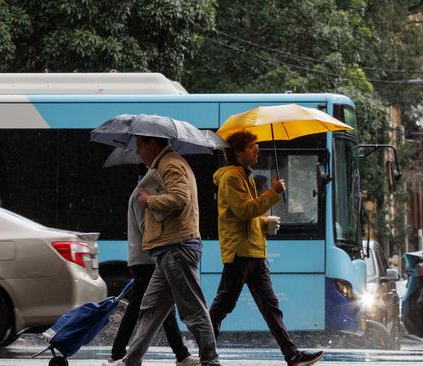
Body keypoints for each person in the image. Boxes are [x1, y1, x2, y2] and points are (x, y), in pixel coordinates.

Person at [210, 131, 324, 366]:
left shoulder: (245, 175)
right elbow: (244, 210)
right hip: (239, 253)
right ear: (238, 152)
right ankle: (205, 350)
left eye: (257, 146)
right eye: (252, 146)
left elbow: (247, 215)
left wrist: (263, 222)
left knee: (271, 307)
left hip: (254, 252)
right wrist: (273, 193)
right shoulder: (231, 177)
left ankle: (291, 355)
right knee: (224, 305)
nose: (257, 150)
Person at [111, 136, 220, 366]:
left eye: (140, 146)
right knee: (150, 308)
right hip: (168, 249)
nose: (138, 152)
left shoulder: (170, 164)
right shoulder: (164, 164)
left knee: (192, 310)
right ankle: (131, 360)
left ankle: (210, 360)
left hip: (178, 247)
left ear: (153, 144)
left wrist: (150, 200)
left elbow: (180, 198)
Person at [104, 164, 199, 366]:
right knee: (148, 308)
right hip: (146, 259)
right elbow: (146, 227)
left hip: (147, 258)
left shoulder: (142, 195)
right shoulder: (140, 198)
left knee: (161, 308)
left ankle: (178, 354)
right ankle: (119, 352)